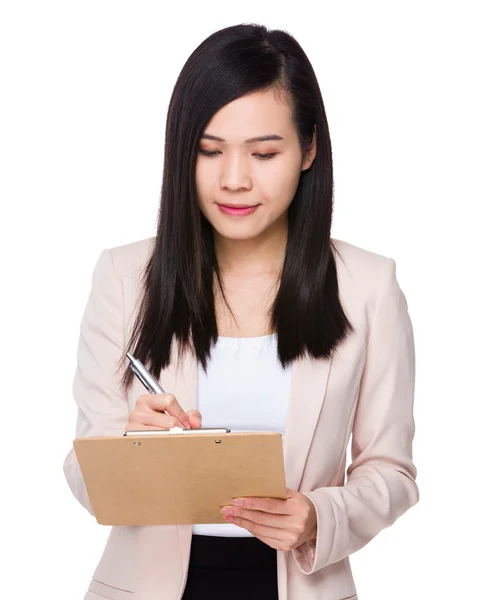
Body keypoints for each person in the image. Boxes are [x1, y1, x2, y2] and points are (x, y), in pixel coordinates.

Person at [63, 22, 419, 600]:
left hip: (301, 583)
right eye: (209, 151)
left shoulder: (369, 287)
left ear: (308, 150)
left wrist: (319, 517)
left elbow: (392, 472)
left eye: (263, 152)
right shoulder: (124, 278)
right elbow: (83, 476)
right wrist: (127, 447)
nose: (234, 179)